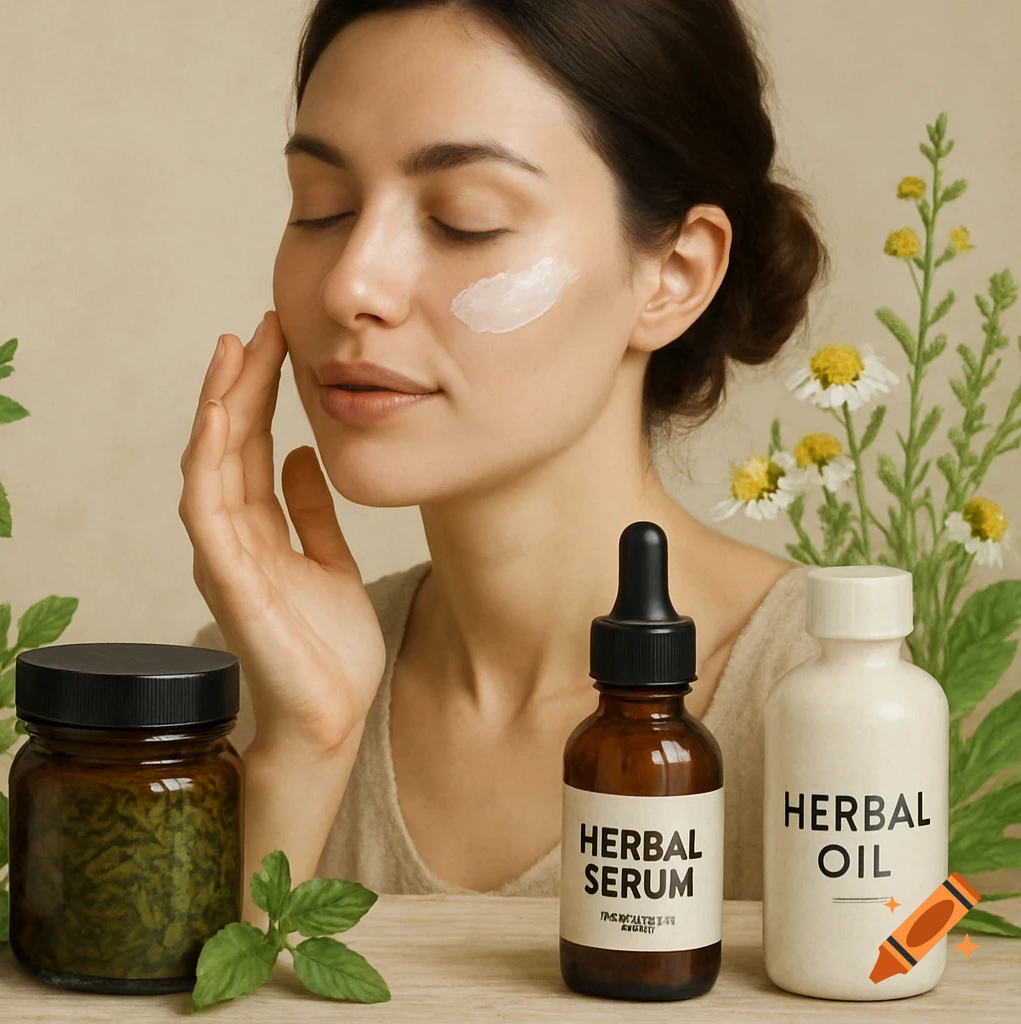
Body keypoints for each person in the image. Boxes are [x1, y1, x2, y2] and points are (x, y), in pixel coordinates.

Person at [179, 0, 824, 919]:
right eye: (322, 208)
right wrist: (304, 748)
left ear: (675, 275)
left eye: (464, 220)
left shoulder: (832, 703)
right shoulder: (251, 686)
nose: (351, 283)